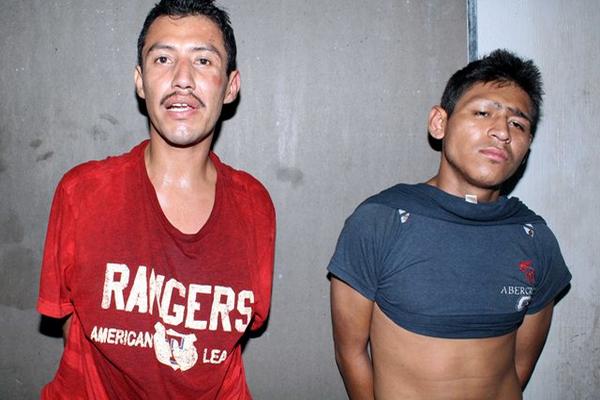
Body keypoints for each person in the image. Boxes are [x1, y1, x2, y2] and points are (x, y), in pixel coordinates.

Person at [36, 1, 275, 398]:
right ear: (140, 81)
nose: (182, 79)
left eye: (203, 60)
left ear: (231, 86)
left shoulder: (255, 207)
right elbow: (68, 321)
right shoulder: (82, 194)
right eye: (163, 59)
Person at [328, 49, 571, 400]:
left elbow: (521, 364)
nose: (502, 132)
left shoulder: (535, 238)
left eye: (517, 124)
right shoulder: (380, 221)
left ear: (526, 145)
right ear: (439, 123)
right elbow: (351, 353)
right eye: (483, 112)